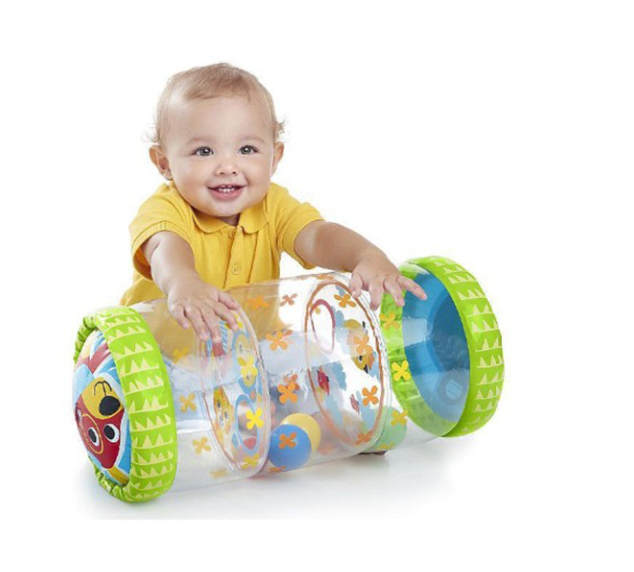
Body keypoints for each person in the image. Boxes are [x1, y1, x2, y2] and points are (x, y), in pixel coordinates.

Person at [121, 63, 426, 345]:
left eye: (246, 149)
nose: (227, 167)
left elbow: (317, 237)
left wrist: (366, 255)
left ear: (274, 158)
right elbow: (165, 249)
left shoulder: (274, 206)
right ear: (164, 163)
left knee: (308, 354)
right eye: (204, 152)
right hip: (158, 356)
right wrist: (183, 283)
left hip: (249, 351)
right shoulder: (164, 209)